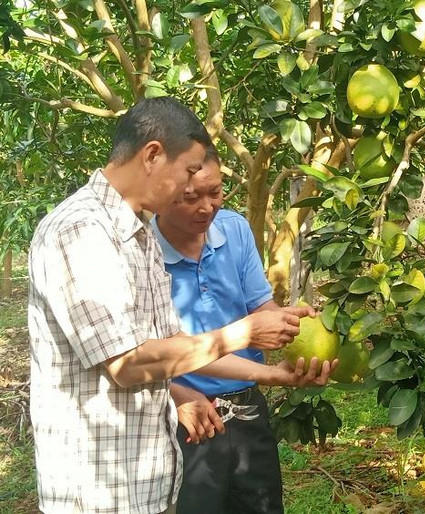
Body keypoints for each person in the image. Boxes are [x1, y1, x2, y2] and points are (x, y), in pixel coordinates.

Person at [28, 97, 313, 514]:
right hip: (97, 489)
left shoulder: (135, 234)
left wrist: (270, 374)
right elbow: (128, 364)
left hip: (146, 477)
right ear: (153, 156)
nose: (190, 188)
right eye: (187, 172)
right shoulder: (81, 231)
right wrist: (244, 332)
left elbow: (175, 348)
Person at [150, 147, 338, 514]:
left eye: (215, 192)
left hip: (248, 408)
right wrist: (174, 393)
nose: (206, 207)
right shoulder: (143, 253)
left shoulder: (233, 230)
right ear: (161, 194)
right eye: (191, 197)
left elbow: (260, 307)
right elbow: (145, 353)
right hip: (190, 417)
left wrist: (292, 325)